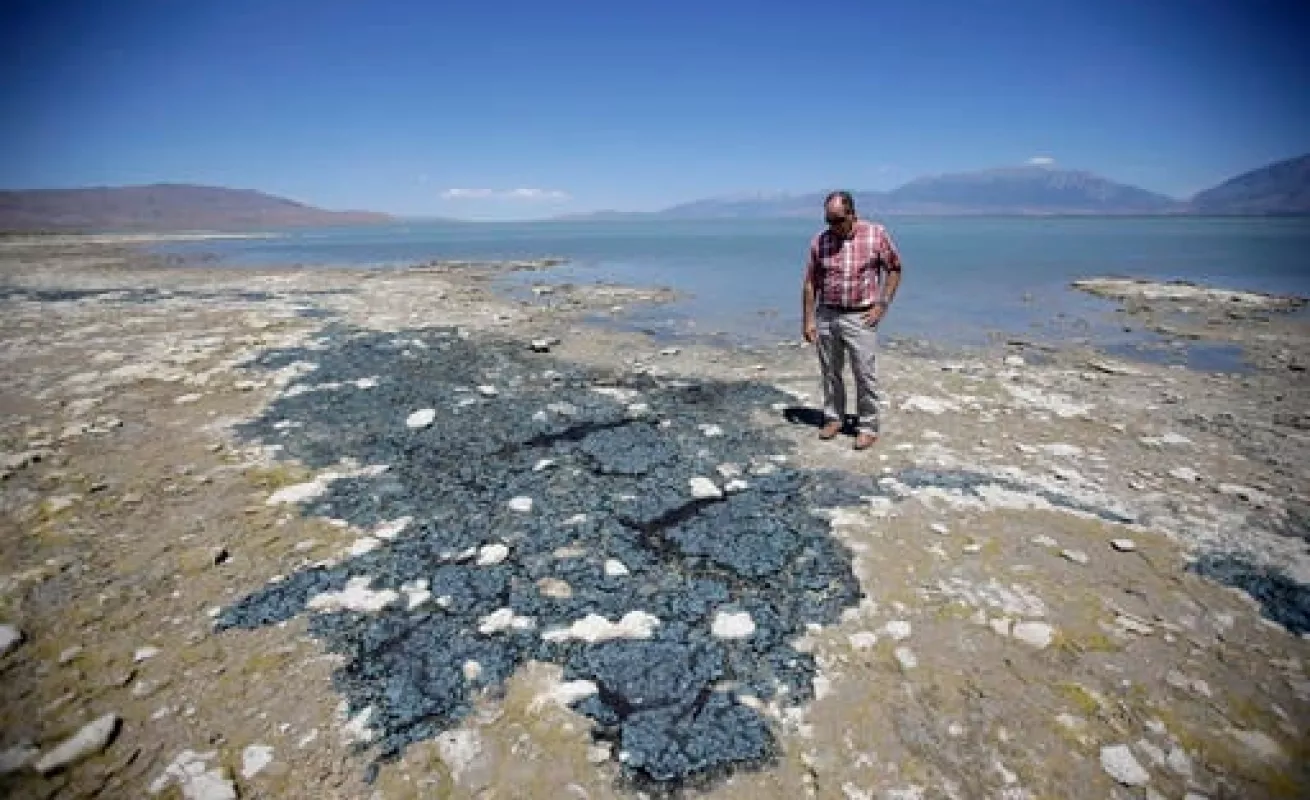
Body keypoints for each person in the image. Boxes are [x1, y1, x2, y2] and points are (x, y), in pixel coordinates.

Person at [801, 191, 903, 450]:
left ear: (852, 215)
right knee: (830, 371)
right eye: (828, 220)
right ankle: (833, 418)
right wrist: (808, 320)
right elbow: (811, 282)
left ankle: (868, 426)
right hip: (827, 314)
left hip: (861, 315)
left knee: (864, 373)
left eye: (837, 220)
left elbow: (894, 268)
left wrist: (882, 304)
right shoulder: (820, 241)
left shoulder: (875, 234)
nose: (832, 226)